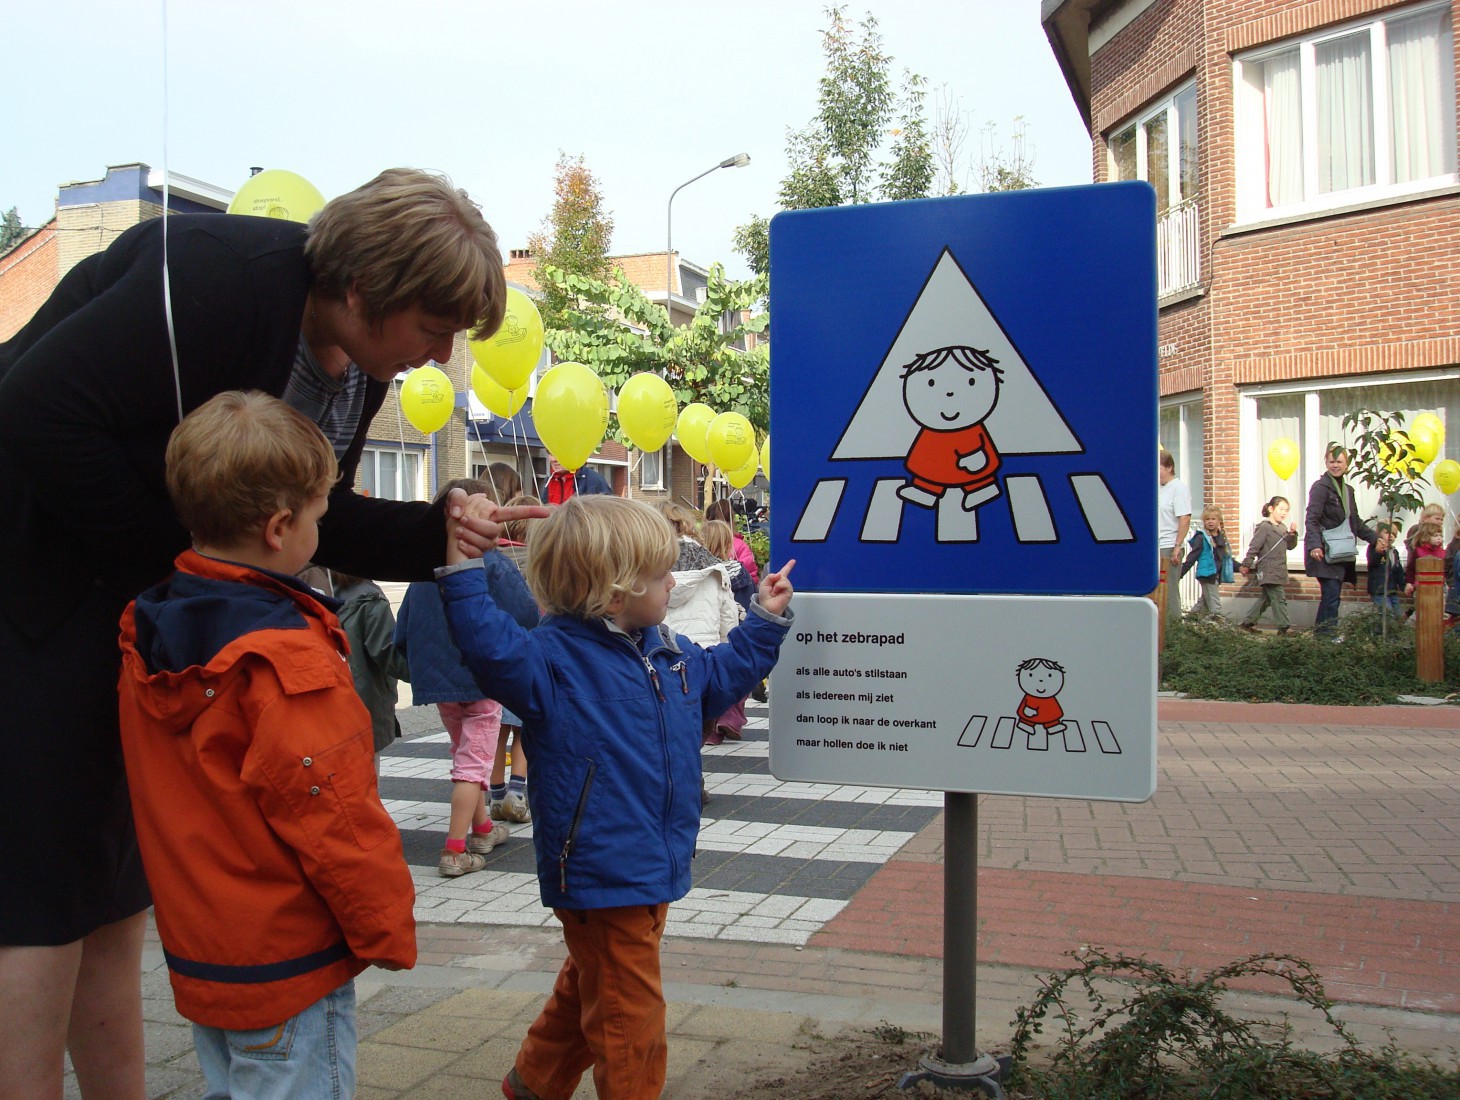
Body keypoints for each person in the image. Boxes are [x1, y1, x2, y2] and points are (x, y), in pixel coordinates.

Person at [0, 166, 543, 1095]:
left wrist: (436, 526)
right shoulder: (219, 279)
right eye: (435, 327)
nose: (442, 352)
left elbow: (297, 517)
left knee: (116, 899)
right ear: (366, 289)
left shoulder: (357, 365)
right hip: (42, 605)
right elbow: (31, 411)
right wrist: (181, 571)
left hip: (152, 623)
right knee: (43, 904)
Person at [434, 495, 795, 1100]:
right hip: (602, 867)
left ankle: (534, 1082)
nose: (672, 581)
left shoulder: (666, 654)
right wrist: (466, 574)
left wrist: (761, 618)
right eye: (660, 575)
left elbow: (722, 675)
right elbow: (489, 645)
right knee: (631, 1020)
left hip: (650, 860)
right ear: (614, 592)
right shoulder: (551, 662)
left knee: (593, 983)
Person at [116, 392, 417, 1095]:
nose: (324, 526)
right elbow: (334, 811)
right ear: (281, 526)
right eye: (319, 513)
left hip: (205, 948)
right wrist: (385, 928)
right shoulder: (285, 659)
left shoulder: (146, 629)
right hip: (288, 956)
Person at [395, 478, 539, 876]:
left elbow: (402, 629)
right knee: (472, 764)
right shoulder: (491, 563)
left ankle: (483, 828)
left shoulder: (423, 570)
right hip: (481, 679)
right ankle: (455, 850)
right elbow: (526, 614)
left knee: (466, 757)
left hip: (441, 684)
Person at [330, 569, 411, 763]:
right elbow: (391, 656)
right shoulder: (368, 598)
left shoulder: (318, 589)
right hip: (364, 708)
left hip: (328, 709)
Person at [1304, 443, 1377, 637]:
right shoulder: (1321, 488)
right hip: (1324, 552)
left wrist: (1376, 539)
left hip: (1340, 552)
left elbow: (1355, 522)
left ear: (1347, 465)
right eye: (1331, 461)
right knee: (1331, 595)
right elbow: (1311, 518)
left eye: (1339, 461)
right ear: (1326, 463)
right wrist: (1314, 545)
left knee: (1333, 596)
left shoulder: (1348, 490)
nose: (1335, 465)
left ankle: (1323, 636)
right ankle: (1325, 637)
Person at [1239, 496, 1299, 633]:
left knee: (1266, 599)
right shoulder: (1265, 527)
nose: (1284, 513)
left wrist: (1293, 533)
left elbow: (1290, 546)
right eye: (1281, 509)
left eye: (1286, 510)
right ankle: (1284, 627)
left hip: (1279, 569)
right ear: (1271, 509)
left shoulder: (1283, 528)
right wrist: (1247, 563)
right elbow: (1254, 546)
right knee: (1279, 597)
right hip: (1268, 569)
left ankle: (1247, 623)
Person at [1157, 450, 1192, 625]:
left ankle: (1175, 629)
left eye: (1159, 467)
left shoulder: (1178, 489)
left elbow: (1184, 518)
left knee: (1169, 590)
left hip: (1169, 544)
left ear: (1169, 467)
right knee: (1155, 590)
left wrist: (1177, 547)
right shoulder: (1157, 488)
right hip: (1154, 546)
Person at [1181, 504, 1232, 619]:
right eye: (1207, 519)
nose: (1210, 522)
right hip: (1207, 574)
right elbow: (1192, 557)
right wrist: (1180, 572)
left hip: (1216, 574)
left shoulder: (1221, 538)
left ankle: (1188, 622)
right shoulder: (1202, 538)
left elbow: (1225, 557)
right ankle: (1217, 624)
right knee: (1215, 604)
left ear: (1219, 521)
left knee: (1203, 603)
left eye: (1213, 519)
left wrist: (1241, 567)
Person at [706, 497, 759, 583]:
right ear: (732, 520)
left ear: (707, 521)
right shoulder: (741, 545)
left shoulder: (700, 544)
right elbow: (750, 577)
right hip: (737, 593)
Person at [1366, 523, 1406, 618]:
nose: (1391, 536)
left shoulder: (1394, 551)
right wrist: (1379, 552)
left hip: (1392, 589)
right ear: (1379, 534)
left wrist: (1403, 586)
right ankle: (1379, 632)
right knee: (1387, 615)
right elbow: (1372, 562)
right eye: (1387, 532)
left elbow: (1398, 571)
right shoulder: (1373, 548)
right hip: (1379, 590)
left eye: (1394, 534)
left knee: (1397, 615)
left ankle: (1389, 632)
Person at [1403, 517, 1446, 599]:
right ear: (1426, 537)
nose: (1439, 538)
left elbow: (1447, 569)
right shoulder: (1418, 552)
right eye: (1435, 535)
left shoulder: (1443, 553)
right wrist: (1409, 583)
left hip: (1439, 587)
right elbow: (1411, 568)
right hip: (1420, 587)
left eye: (1441, 536)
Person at [541, 456, 613, 503]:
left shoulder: (594, 480)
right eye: (550, 452)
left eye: (557, 453)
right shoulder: (549, 481)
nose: (553, 459)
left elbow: (608, 515)